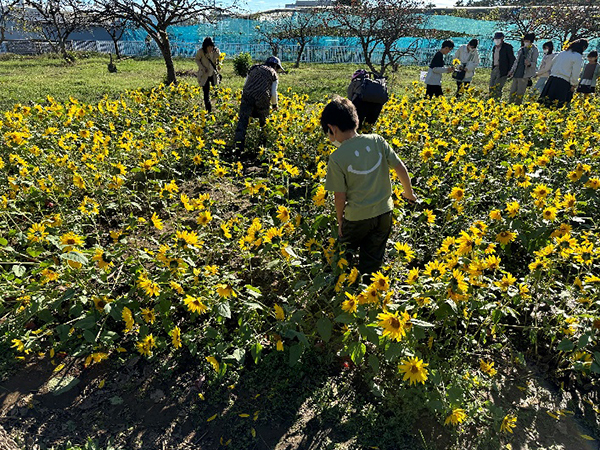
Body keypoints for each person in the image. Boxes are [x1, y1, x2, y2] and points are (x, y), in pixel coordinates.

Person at [321, 96, 417, 277]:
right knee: (373, 257)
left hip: (356, 218)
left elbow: (339, 196)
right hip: (384, 213)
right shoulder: (377, 141)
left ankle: (339, 283)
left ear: (332, 129)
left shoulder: (337, 157)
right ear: (356, 121)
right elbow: (400, 168)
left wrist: (341, 220)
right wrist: (409, 193)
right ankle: (368, 287)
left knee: (343, 253)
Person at [233, 56, 284, 158]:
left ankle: (238, 148)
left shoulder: (253, 68)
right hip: (262, 99)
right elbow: (274, 92)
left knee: (242, 122)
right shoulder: (273, 74)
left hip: (247, 96)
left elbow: (245, 84)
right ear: (275, 66)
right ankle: (261, 149)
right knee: (264, 124)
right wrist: (275, 105)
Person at [540, 39, 588, 108]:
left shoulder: (562, 53)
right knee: (558, 108)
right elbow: (576, 73)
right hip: (563, 83)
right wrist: (573, 84)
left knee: (545, 105)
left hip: (551, 80)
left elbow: (552, 63)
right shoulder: (578, 57)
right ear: (583, 47)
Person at [508, 33, 539, 105]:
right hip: (517, 73)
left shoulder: (534, 50)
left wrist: (529, 63)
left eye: (527, 41)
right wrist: (511, 71)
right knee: (512, 91)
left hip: (525, 74)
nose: (526, 42)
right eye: (525, 40)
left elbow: (534, 63)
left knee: (520, 92)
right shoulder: (521, 49)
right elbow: (516, 62)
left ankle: (517, 106)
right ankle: (510, 105)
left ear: (531, 41)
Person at [195, 37, 221, 113]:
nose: (210, 48)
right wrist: (202, 67)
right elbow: (197, 59)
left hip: (213, 74)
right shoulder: (201, 52)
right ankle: (208, 110)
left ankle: (219, 106)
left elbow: (220, 58)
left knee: (216, 89)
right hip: (204, 74)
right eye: (208, 47)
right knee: (206, 93)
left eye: (211, 46)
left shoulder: (216, 51)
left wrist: (219, 64)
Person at [489, 32, 515, 100]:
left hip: (503, 69)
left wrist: (510, 70)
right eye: (495, 38)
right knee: (491, 85)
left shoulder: (507, 47)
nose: (496, 40)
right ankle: (490, 99)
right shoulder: (495, 47)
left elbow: (512, 59)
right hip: (495, 68)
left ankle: (497, 99)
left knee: (498, 86)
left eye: (498, 38)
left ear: (502, 38)